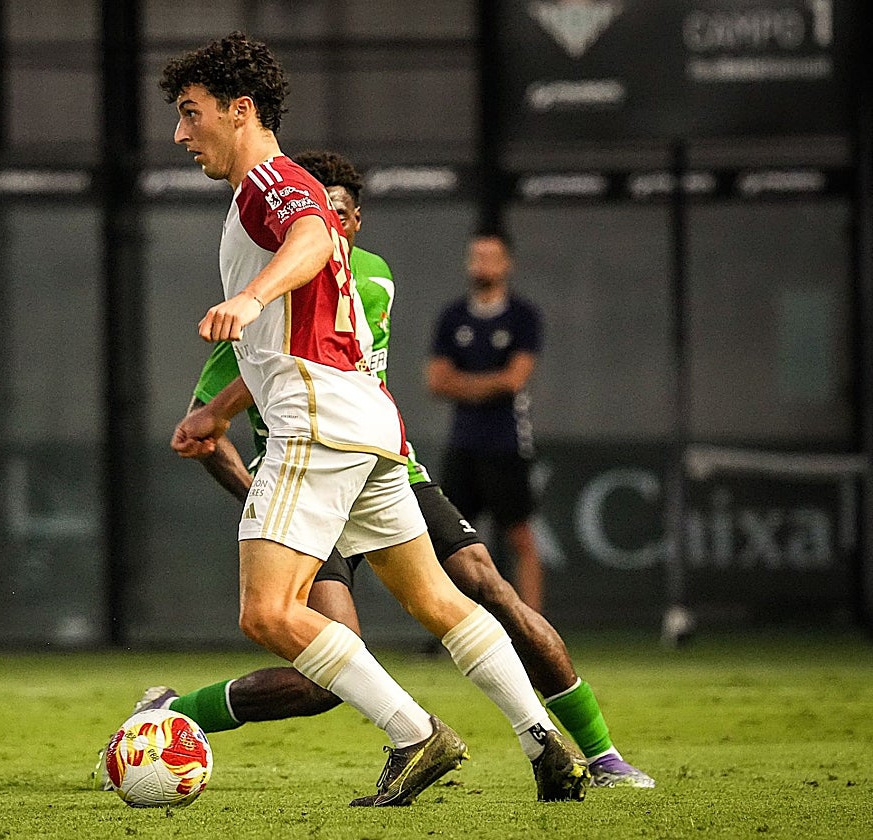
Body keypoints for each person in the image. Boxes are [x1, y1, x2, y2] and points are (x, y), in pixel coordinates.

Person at [106, 150, 653, 792]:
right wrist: (231, 433)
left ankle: (450, 737)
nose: (325, 223)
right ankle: (540, 744)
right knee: (370, 640)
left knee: (320, 609)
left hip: (328, 447)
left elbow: (305, 327)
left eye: (337, 214)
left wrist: (251, 300)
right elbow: (239, 391)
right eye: (318, 212)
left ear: (352, 219)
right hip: (357, 443)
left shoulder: (332, 272)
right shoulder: (314, 282)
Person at [142, 32, 590, 808]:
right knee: (439, 601)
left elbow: (312, 239)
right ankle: (544, 741)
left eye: (192, 114)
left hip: (316, 416)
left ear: (240, 110)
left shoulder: (268, 183)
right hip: (368, 418)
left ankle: (415, 734)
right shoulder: (281, 187)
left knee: (268, 611)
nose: (182, 134)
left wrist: (251, 297)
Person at [427, 232, 546, 613]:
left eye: (491, 257)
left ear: (506, 263)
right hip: (463, 443)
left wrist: (464, 384)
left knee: (520, 539)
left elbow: (514, 380)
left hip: (507, 442)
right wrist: (487, 384)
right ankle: (453, 628)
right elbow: (436, 381)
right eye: (476, 257)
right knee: (451, 541)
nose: (483, 265)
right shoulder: (453, 318)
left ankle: (536, 629)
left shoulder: (522, 317)